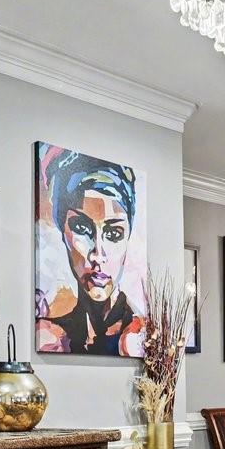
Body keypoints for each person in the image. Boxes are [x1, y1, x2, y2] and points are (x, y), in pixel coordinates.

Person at [35, 149, 141, 356]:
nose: (97, 254)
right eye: (82, 229)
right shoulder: (51, 337)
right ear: (62, 230)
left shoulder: (144, 337)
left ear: (128, 236)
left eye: (113, 233)